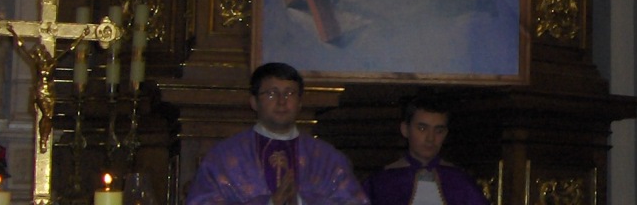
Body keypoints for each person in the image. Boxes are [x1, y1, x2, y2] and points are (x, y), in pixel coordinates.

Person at [186, 63, 368, 205]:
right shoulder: (223, 157)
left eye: (290, 93)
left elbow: (353, 201)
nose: (282, 101)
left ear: (300, 103)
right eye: (272, 93)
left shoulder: (328, 159)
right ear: (254, 102)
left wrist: (300, 202)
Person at [362, 92, 490, 205]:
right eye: (422, 128)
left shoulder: (460, 182)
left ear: (445, 133)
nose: (430, 138)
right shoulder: (381, 183)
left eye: (438, 130)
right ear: (405, 129)